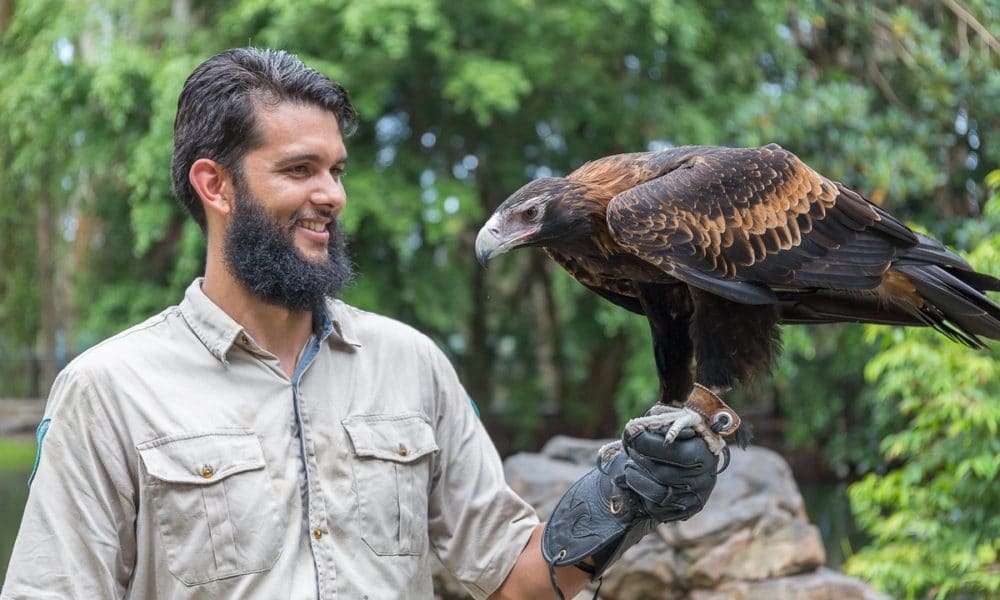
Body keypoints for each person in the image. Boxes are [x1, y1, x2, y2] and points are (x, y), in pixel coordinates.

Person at [1, 48, 719, 599]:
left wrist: (624, 496)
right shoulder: (109, 389)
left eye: (337, 170)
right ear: (214, 184)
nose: (333, 195)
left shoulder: (411, 365)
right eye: (300, 170)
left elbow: (514, 581)